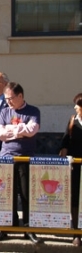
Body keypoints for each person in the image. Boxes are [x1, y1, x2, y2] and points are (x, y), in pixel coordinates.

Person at [0, 82, 43, 244]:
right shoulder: (4, 112)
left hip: (25, 158)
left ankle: (28, 228)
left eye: (10, 98)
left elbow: (32, 131)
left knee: (25, 193)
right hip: (6, 157)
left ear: (20, 96)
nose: (7, 101)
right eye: (6, 98)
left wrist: (12, 130)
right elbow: (0, 134)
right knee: (7, 193)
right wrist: (20, 130)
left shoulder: (33, 111)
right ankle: (8, 225)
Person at [59, 93, 82, 246]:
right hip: (76, 166)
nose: (75, 107)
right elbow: (65, 141)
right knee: (75, 200)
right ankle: (76, 233)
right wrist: (64, 150)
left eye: (78, 105)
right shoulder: (73, 120)